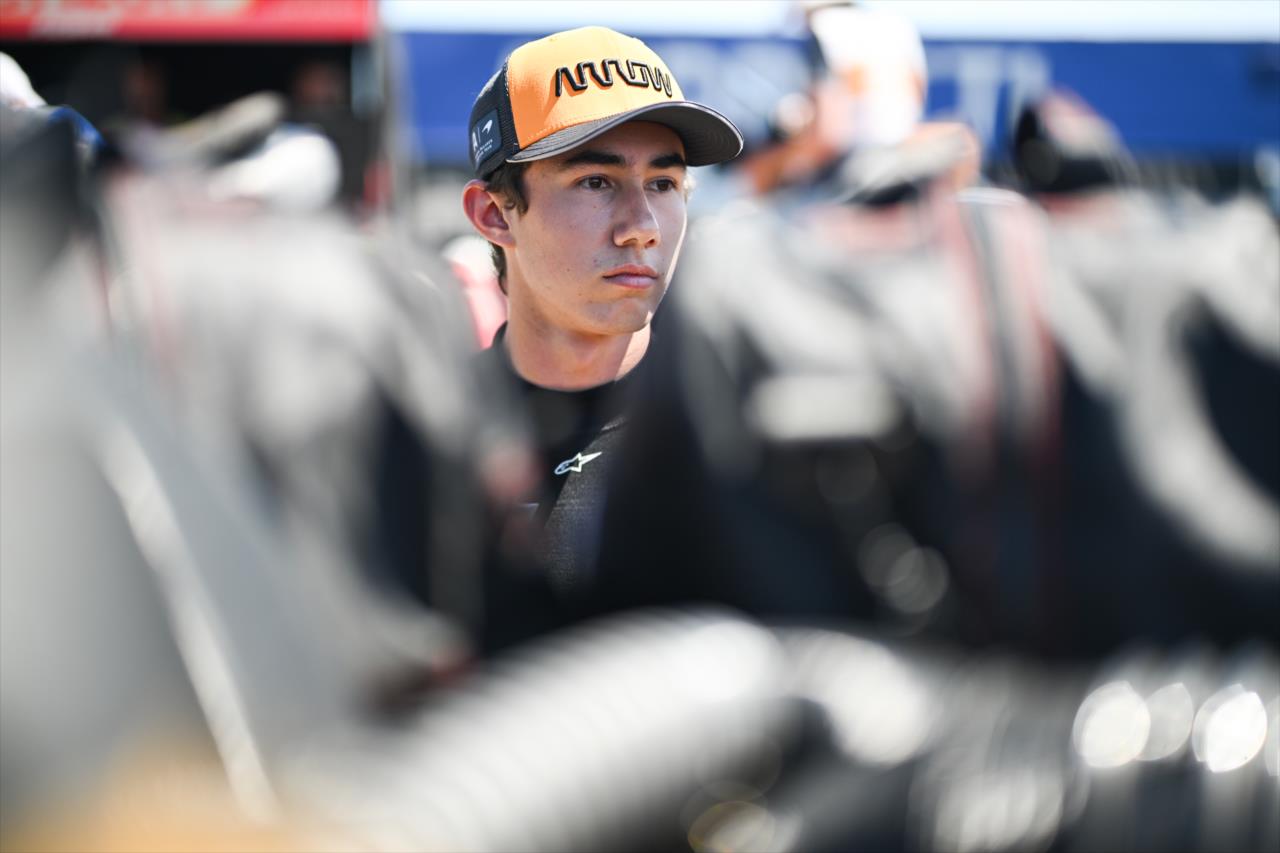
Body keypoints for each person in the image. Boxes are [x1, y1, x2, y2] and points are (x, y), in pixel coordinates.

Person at [458, 26, 742, 613]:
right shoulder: (435, 438)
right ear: (495, 214)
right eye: (596, 182)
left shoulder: (743, 432)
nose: (642, 226)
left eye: (663, 183)